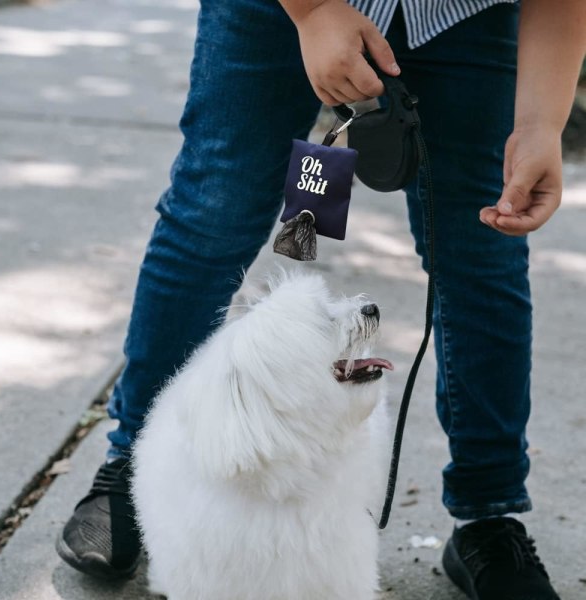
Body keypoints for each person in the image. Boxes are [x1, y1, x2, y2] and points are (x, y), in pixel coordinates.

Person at [55, 0, 586, 598]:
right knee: (213, 213)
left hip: (465, 16)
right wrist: (312, 12)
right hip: (271, 11)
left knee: (485, 245)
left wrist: (541, 125)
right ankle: (129, 472)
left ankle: (488, 515)